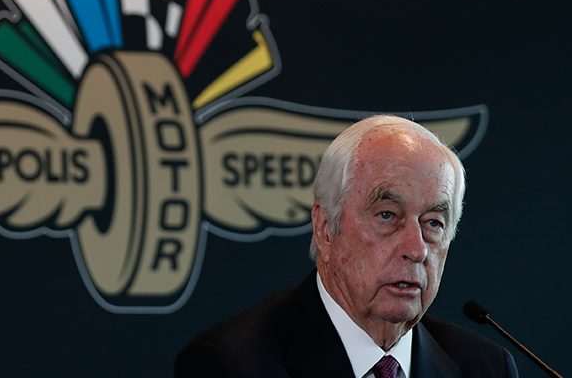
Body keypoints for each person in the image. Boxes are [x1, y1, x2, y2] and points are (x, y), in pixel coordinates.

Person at [175, 115, 518, 377]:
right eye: (387, 215)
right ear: (325, 228)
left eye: (433, 223)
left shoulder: (485, 368)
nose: (416, 250)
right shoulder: (232, 364)